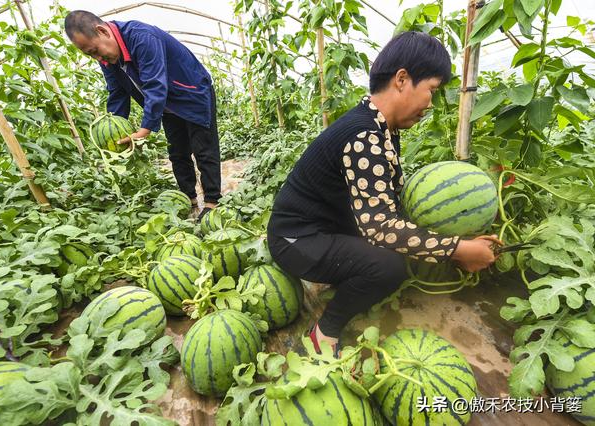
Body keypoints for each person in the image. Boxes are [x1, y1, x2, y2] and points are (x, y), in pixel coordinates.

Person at [267, 31, 499, 356]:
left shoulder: (380, 127)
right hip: (296, 241)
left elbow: (385, 205)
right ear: (402, 79)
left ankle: (345, 276)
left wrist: (452, 240)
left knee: (397, 247)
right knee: (389, 267)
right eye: (431, 90)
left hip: (325, 228)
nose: (430, 104)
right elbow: (380, 228)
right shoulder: (363, 134)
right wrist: (458, 249)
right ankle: (325, 331)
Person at [64, 10, 221, 219]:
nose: (97, 58)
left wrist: (144, 129)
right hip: (167, 104)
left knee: (204, 149)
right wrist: (113, 128)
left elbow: (155, 84)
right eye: (90, 55)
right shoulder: (107, 59)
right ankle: (188, 198)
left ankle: (211, 202)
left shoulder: (142, 37)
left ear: (102, 31)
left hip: (191, 92)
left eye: (95, 51)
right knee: (177, 153)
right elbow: (117, 92)